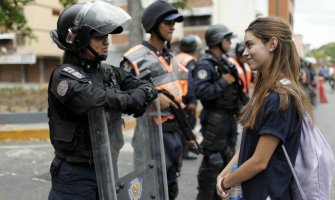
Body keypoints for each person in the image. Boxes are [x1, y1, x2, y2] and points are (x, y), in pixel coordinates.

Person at [48, 1, 157, 199]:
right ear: (78, 39)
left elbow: (147, 86)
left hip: (108, 166)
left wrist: (142, 94)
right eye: (99, 36)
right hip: (76, 174)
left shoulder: (108, 72)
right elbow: (90, 98)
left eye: (106, 36)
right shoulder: (63, 75)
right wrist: (131, 100)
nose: (106, 41)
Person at [216, 17, 313, 200]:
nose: (245, 52)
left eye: (250, 45)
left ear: (272, 44)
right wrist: (224, 172)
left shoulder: (280, 97)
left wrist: (225, 182)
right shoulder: (267, 91)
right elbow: (250, 145)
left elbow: (259, 161)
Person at [120, 1, 193, 199]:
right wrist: (150, 98)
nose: (172, 27)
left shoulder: (171, 57)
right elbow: (123, 98)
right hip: (150, 133)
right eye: (167, 23)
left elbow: (182, 94)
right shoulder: (134, 58)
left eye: (174, 23)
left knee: (170, 187)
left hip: (174, 131)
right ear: (153, 24)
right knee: (149, 189)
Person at [193, 24, 246, 200]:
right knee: (212, 164)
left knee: (228, 162)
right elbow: (201, 93)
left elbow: (236, 92)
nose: (230, 42)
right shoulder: (205, 64)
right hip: (214, 121)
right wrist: (224, 81)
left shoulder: (224, 61)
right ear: (217, 41)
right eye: (227, 39)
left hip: (229, 120)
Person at [175, 34, 202, 160]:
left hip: (177, 95)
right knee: (188, 125)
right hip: (186, 97)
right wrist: (192, 100)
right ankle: (185, 151)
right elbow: (190, 81)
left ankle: (180, 150)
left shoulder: (177, 57)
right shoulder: (190, 60)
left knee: (180, 124)